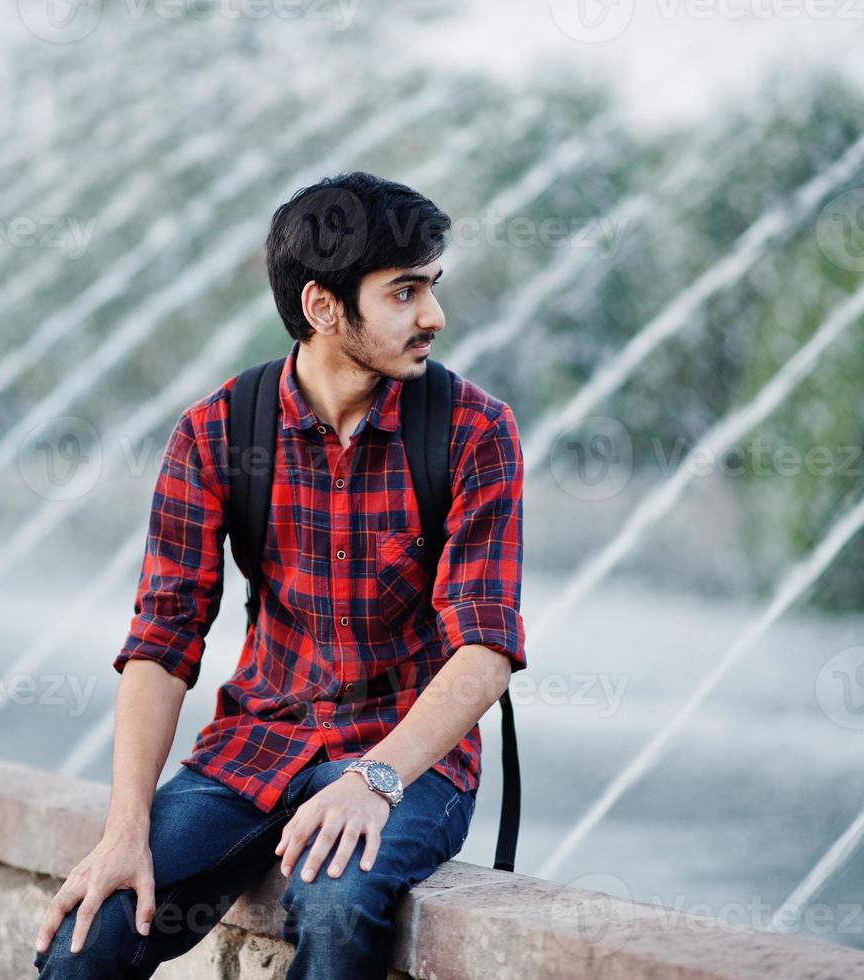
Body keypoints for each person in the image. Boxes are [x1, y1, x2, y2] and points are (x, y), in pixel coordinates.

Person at [32, 171, 526, 979]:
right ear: (322, 307)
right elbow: (161, 642)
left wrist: (373, 779)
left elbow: (485, 653)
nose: (433, 315)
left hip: (406, 757)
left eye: (431, 287)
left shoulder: (473, 431)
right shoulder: (218, 430)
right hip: (252, 748)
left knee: (335, 903)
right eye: (404, 292)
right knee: (89, 933)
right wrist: (124, 829)